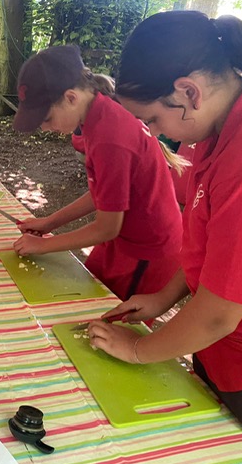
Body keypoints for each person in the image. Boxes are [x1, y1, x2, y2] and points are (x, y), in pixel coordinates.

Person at [87, 11, 242, 464]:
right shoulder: (224, 128)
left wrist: (137, 348)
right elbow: (215, 243)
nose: (153, 133)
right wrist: (165, 295)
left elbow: (220, 313)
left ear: (189, 92)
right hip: (228, 343)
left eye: (154, 118)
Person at [12, 45, 186, 301]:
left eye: (47, 119)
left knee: (108, 319)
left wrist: (45, 245)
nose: (46, 128)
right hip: (122, 239)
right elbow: (103, 196)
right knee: (84, 291)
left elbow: (106, 228)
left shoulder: (109, 136)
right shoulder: (96, 116)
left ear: (71, 98)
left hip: (147, 250)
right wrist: (49, 223)